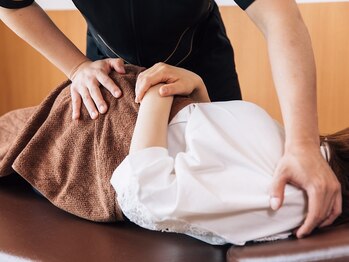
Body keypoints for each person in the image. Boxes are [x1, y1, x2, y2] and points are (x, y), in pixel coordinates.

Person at [0, 0, 341, 238]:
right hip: (111, 81)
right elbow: (11, 4)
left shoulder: (252, 134)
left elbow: (279, 15)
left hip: (193, 71)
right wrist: (76, 67)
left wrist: (303, 144)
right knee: (19, 135)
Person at [111, 65, 349, 245]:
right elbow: (213, 155)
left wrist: (157, 93)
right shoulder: (311, 152)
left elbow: (147, 193)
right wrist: (197, 92)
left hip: (110, 122)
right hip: (120, 92)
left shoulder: (296, 193)